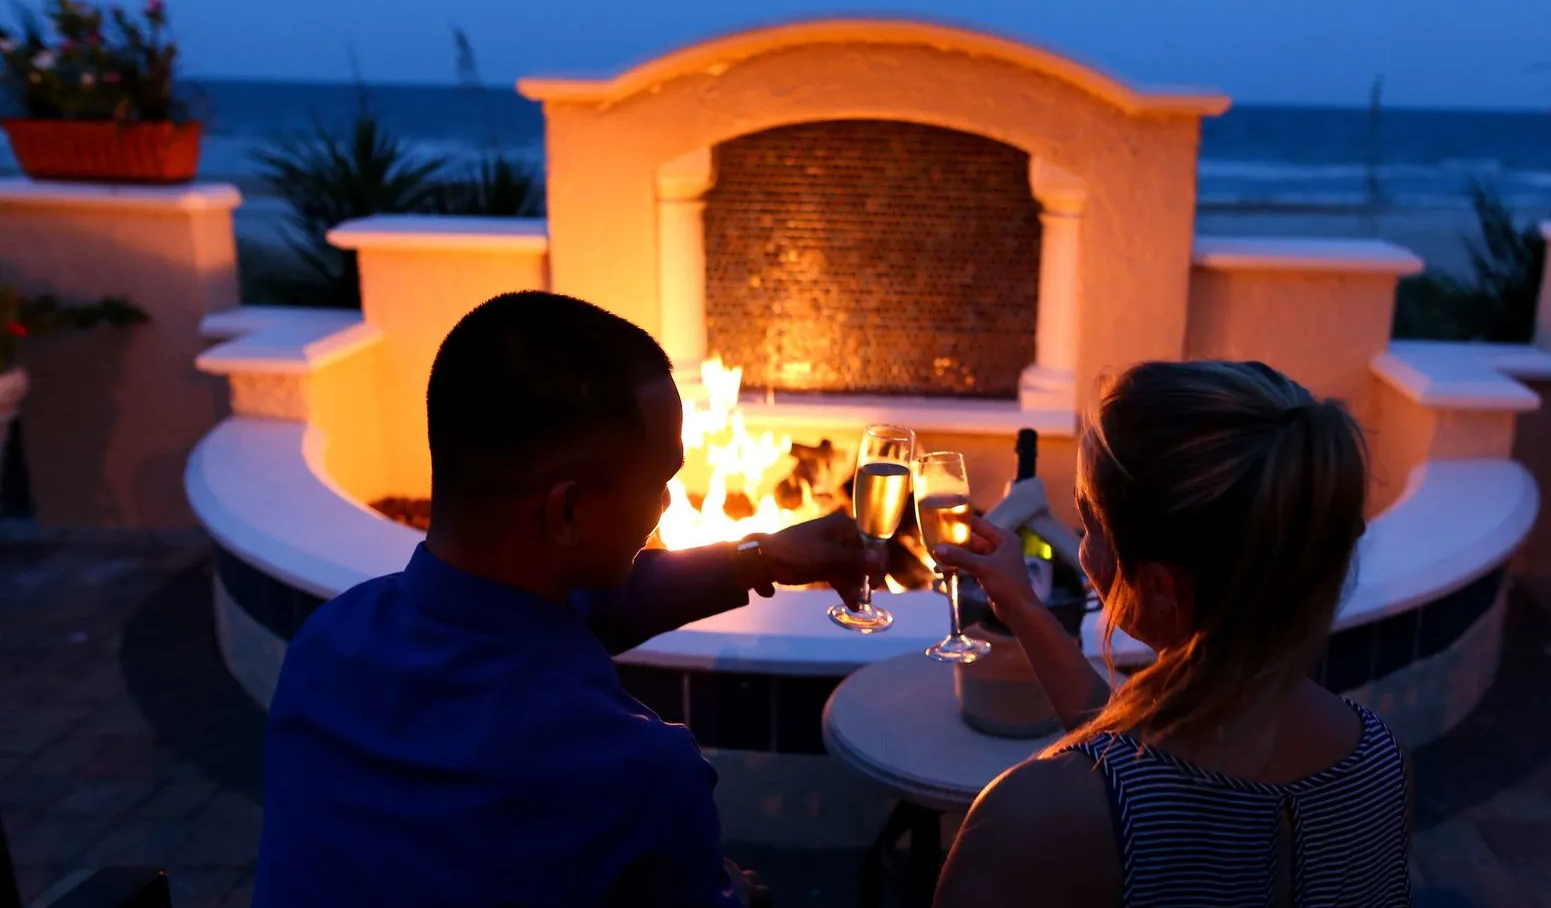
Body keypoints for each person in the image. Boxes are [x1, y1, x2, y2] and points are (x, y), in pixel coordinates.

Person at [254, 291, 878, 908]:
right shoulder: (635, 774)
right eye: (661, 480)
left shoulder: (324, 646)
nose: (666, 504)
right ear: (569, 510)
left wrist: (759, 557)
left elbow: (565, 610)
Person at [935, 361, 1411, 908]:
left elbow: (1130, 777)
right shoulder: (1381, 763)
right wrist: (1021, 605)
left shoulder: (1027, 821)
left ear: (1160, 588)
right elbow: (1139, 749)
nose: (1081, 545)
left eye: (1088, 524)